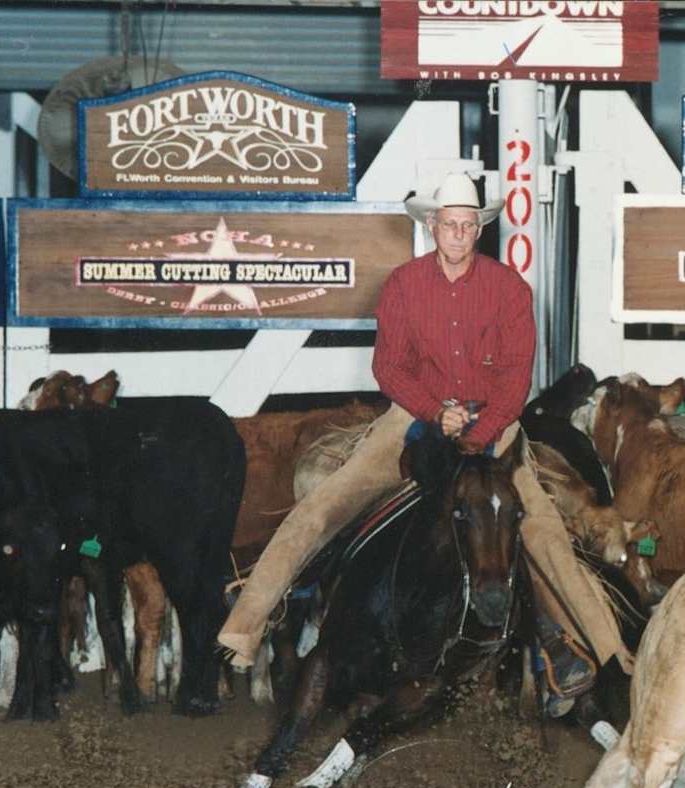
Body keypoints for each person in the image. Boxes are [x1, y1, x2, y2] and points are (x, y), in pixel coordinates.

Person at [216, 172, 633, 714]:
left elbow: (515, 377)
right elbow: (388, 366)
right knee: (321, 508)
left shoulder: (510, 290)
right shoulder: (404, 285)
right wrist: (437, 413)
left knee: (547, 535)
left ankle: (614, 659)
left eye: (468, 224)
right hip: (412, 415)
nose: (458, 233)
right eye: (449, 224)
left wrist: (480, 432)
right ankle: (244, 630)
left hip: (494, 422)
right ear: (433, 226)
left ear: (477, 229)